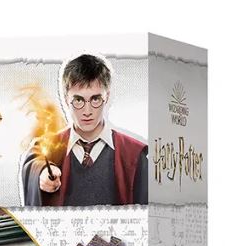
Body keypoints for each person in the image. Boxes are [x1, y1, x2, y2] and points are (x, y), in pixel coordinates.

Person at [21, 54, 148, 207]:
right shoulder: (49, 147)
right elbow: (35, 159)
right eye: (78, 100)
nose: (87, 111)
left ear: (107, 97)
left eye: (95, 99)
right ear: (65, 99)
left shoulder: (134, 154)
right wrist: (40, 173)